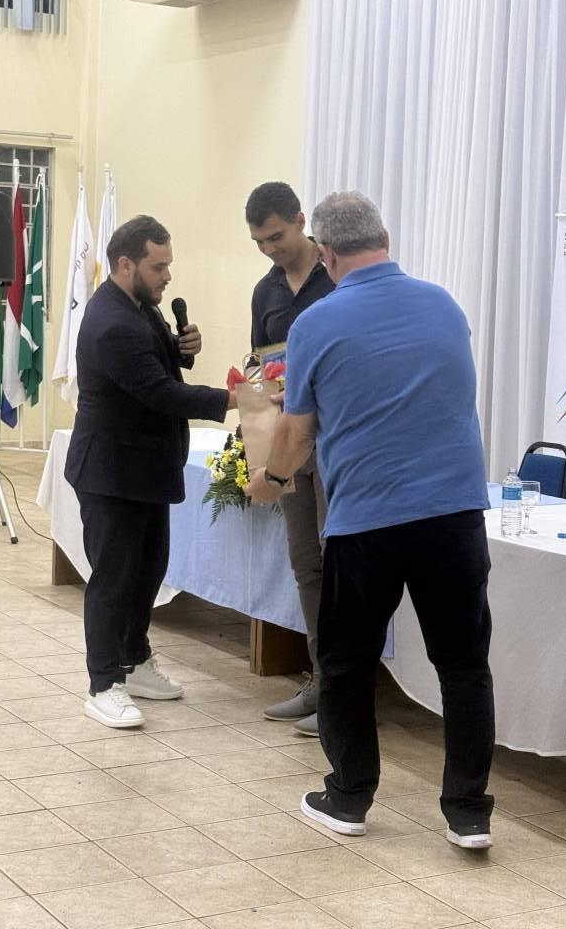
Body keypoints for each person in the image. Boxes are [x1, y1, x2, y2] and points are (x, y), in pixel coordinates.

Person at [247, 191, 495, 848]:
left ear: (326, 253)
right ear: (384, 238)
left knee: (347, 663)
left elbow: (295, 433)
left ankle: (349, 798)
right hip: (455, 513)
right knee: (464, 665)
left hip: (368, 519)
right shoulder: (445, 305)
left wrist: (270, 481)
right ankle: (469, 813)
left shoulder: (317, 324)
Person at [65, 215, 235, 729]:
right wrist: (232, 400)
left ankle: (134, 662)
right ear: (126, 264)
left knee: (148, 571)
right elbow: (159, 392)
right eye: (158, 267)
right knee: (114, 579)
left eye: (168, 265)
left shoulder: (140, 306)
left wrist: (181, 348)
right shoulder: (112, 321)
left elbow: (157, 365)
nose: (167, 276)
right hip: (111, 471)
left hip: (144, 468)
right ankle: (103, 684)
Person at [246, 182, 335, 737]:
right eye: (259, 242)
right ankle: (321, 680)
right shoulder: (266, 291)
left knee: (340, 562)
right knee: (306, 563)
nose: (270, 249)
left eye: (276, 237)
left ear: (301, 221)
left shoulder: (338, 275)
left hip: (338, 442)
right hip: (289, 441)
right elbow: (260, 363)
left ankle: (342, 692)